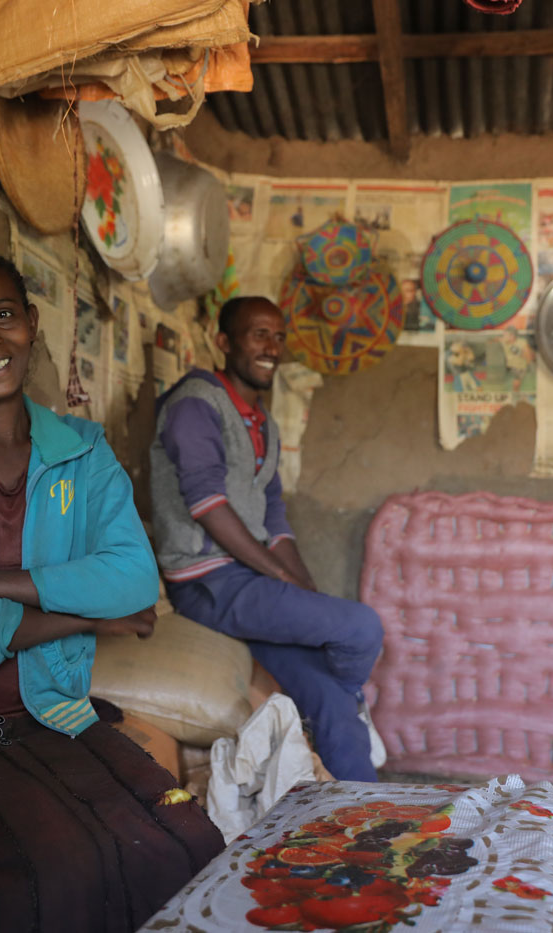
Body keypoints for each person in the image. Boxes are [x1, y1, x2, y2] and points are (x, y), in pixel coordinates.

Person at [0, 249, 223, 932]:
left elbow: (134, 578)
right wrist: (92, 620)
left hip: (52, 717)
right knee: (65, 867)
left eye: (3, 316)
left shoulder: (83, 449)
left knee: (193, 840)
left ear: (31, 323)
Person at [150, 295, 386, 781]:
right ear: (223, 343)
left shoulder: (263, 423)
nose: (271, 347)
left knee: (328, 697)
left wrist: (304, 592)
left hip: (249, 583)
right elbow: (206, 504)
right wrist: (279, 578)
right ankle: (353, 695)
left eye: (278, 336)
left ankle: (363, 822)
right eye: (258, 334)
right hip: (207, 583)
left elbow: (274, 517)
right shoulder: (194, 404)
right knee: (360, 628)